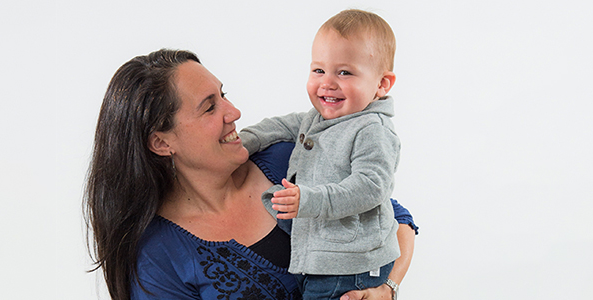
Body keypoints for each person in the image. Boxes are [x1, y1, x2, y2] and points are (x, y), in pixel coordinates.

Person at [85, 49, 417, 300]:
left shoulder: (288, 158)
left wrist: (387, 288)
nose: (234, 112)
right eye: (209, 106)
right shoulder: (158, 259)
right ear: (161, 142)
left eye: (223, 94)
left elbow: (395, 219)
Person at [238, 9, 403, 299]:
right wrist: (242, 143)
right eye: (318, 70)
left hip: (351, 266)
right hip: (322, 261)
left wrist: (310, 200)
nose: (327, 82)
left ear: (381, 84)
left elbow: (371, 187)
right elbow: (279, 126)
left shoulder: (372, 129)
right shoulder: (317, 119)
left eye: (344, 72)